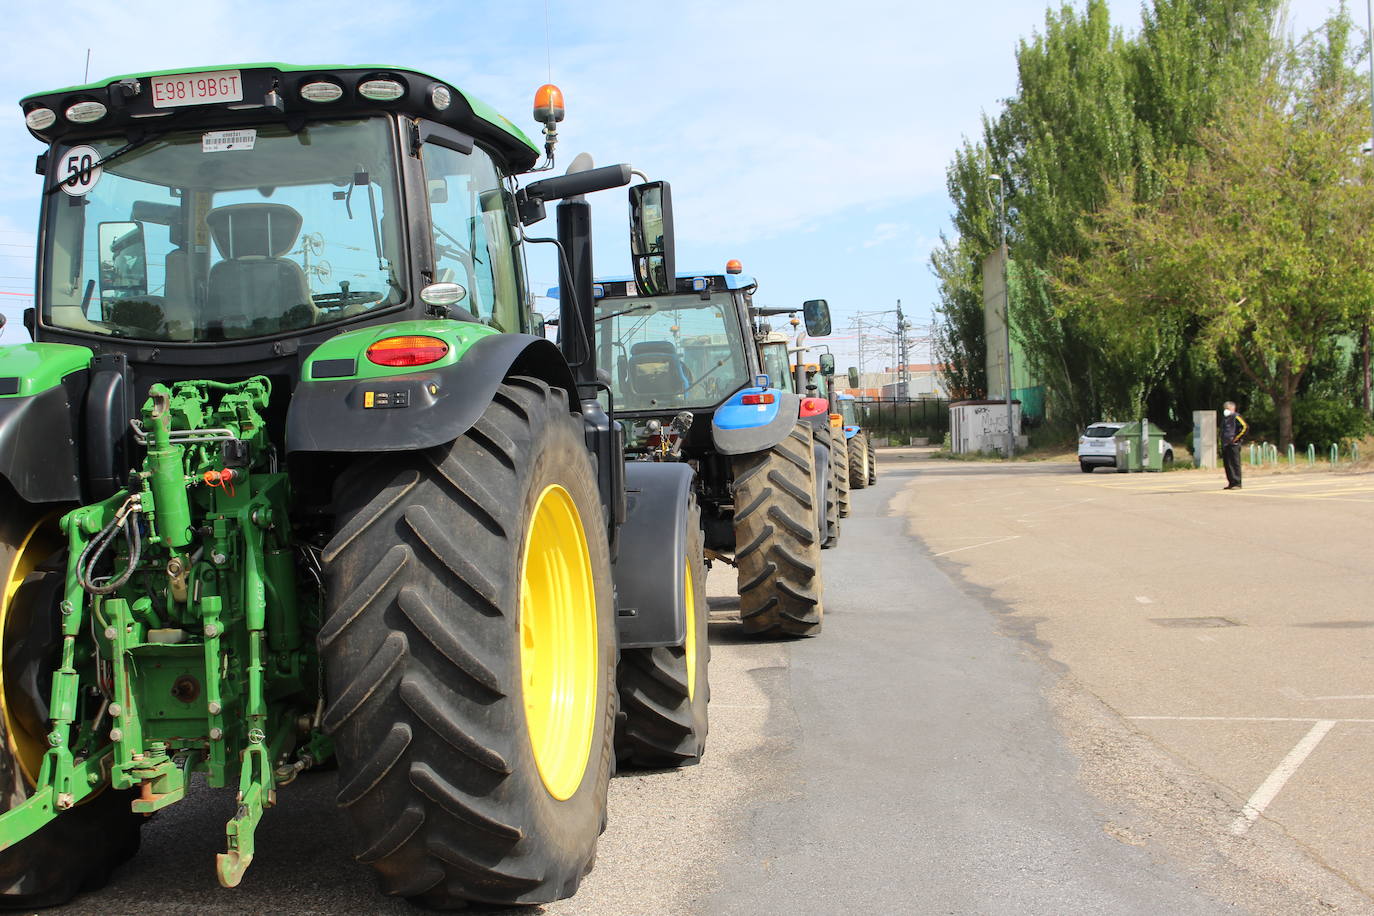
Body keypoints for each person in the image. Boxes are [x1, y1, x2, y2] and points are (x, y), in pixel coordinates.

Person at [1221, 401, 1248, 490]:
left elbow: (1245, 427)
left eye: (1227, 408)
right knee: (1228, 464)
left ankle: (1237, 483)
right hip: (1225, 444)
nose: (1226, 410)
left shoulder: (1236, 416)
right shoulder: (1225, 418)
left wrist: (1237, 438)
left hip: (1234, 444)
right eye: (1225, 408)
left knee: (1235, 463)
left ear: (1233, 409)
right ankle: (1231, 482)